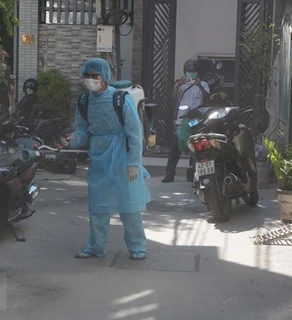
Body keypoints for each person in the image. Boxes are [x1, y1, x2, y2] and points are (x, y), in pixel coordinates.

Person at [66, 57, 151, 260]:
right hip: (99, 156)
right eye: (86, 77)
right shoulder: (84, 101)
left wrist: (133, 163)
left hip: (122, 155)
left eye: (94, 76)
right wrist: (72, 139)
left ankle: (137, 246)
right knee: (98, 205)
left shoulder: (120, 99)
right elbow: (82, 130)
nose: (90, 80)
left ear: (104, 77)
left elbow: (134, 132)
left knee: (128, 205)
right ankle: (95, 246)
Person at [161, 59, 210, 183]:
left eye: (193, 71)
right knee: (176, 147)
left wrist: (199, 86)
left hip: (196, 120)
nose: (191, 74)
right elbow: (174, 96)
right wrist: (178, 84)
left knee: (198, 146)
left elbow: (207, 98)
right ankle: (170, 173)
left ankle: (195, 175)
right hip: (182, 120)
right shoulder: (181, 84)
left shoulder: (203, 84)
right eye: (189, 71)